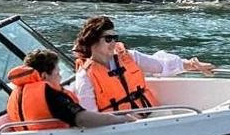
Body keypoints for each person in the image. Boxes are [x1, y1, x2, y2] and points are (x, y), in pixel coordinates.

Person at [69, 15, 217, 114]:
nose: (113, 42)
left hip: (148, 114)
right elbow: (90, 115)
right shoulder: (85, 77)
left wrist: (193, 65)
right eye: (108, 38)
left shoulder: (129, 57)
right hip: (117, 127)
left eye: (115, 38)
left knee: (174, 116)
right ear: (93, 41)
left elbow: (162, 65)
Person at [5, 49, 132, 132]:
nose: (60, 77)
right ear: (44, 76)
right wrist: (121, 119)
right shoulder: (49, 94)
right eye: (57, 72)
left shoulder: (17, 93)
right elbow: (82, 119)